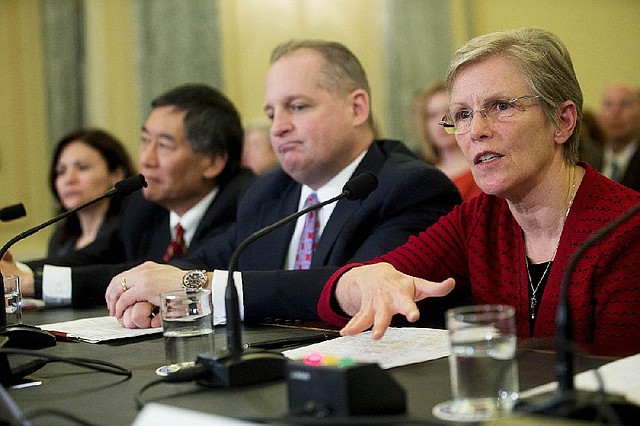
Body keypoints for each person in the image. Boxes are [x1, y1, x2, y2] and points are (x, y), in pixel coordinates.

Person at [317, 28, 640, 356]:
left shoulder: (627, 227)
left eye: (500, 106)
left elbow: (619, 377)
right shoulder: (477, 218)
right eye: (463, 115)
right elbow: (341, 292)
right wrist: (364, 282)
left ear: (563, 120)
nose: (476, 132)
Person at [105, 39, 462, 329]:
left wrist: (194, 286)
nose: (278, 128)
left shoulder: (411, 187)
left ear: (357, 108)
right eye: (272, 113)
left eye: (297, 107)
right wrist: (151, 290)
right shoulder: (268, 191)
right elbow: (212, 259)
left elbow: (350, 289)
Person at [3, 84, 256, 307]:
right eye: (145, 140)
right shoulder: (142, 207)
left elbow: (156, 276)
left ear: (212, 162)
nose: (146, 159)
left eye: (164, 146)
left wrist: (32, 284)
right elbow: (93, 257)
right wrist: (18, 271)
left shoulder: (246, 203)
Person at [1, 128, 135, 281]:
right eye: (61, 171)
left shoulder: (127, 230)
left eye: (82, 167)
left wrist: (20, 270)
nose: (69, 179)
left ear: (116, 175)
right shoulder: (61, 238)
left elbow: (92, 262)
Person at [417, 82, 482, 200]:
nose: (441, 123)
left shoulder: (483, 167)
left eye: (448, 111)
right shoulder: (420, 177)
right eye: (432, 115)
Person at [595, 83, 640, 191]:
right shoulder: (587, 161)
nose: (615, 112)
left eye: (624, 104)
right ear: (599, 117)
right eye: (608, 105)